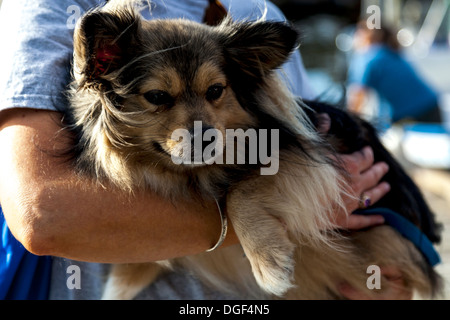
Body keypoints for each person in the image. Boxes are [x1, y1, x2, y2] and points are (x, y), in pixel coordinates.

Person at [0, 0, 395, 300]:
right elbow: (42, 216)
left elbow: (302, 151)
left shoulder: (255, 12)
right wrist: (246, 218)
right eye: (159, 96)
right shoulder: (56, 12)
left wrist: (381, 264)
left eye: (214, 92)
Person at [347, 20, 442, 130]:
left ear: (364, 35)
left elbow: (356, 98)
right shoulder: (389, 52)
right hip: (430, 105)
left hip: (410, 116)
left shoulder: (366, 58)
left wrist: (348, 126)